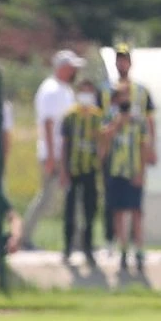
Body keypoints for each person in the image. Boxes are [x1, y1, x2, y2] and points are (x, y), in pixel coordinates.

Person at [20, 51, 83, 249]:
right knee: (46, 198)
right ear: (62, 67)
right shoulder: (51, 89)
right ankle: (24, 237)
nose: (75, 71)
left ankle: (78, 239)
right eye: (72, 67)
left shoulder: (65, 89)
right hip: (54, 153)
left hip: (65, 152)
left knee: (73, 197)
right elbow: (47, 123)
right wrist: (50, 155)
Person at [100, 45, 156, 250]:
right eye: (118, 59)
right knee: (116, 208)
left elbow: (149, 123)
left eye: (125, 59)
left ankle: (138, 247)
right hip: (115, 162)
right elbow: (102, 129)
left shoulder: (142, 92)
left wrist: (151, 150)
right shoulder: (105, 90)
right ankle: (119, 244)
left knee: (136, 208)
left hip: (134, 161)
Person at [101, 80, 148, 275]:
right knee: (118, 212)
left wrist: (141, 172)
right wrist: (117, 123)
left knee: (136, 212)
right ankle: (122, 250)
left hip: (133, 170)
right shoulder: (110, 118)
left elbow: (143, 147)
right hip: (115, 171)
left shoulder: (138, 121)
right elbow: (104, 142)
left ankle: (139, 250)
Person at [60, 79, 102, 265]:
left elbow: (102, 142)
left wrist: (100, 163)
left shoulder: (97, 116)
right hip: (73, 168)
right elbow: (65, 144)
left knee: (90, 210)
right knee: (70, 209)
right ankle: (68, 247)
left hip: (90, 169)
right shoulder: (70, 116)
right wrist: (63, 169)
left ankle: (88, 247)